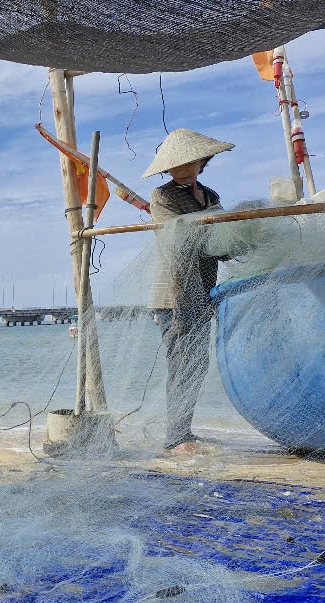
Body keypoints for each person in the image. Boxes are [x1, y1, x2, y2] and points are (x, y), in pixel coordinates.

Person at [142, 128, 234, 453]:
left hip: (202, 292)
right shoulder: (162, 196)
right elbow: (176, 241)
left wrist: (238, 239)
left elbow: (220, 244)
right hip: (174, 294)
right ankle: (175, 438)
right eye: (175, 163)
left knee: (197, 364)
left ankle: (185, 431)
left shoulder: (210, 195)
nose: (182, 167)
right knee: (180, 362)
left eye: (188, 161)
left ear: (201, 160)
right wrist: (215, 231)